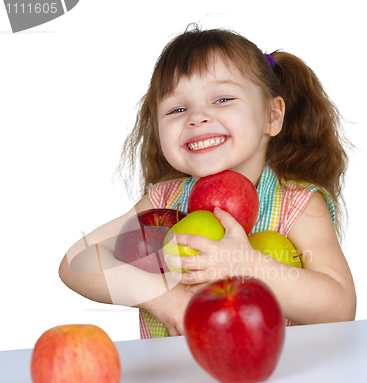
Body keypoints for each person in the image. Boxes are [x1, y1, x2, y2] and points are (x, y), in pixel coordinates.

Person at [59, 25, 356, 338]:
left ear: (272, 115)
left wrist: (248, 265)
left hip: (272, 381)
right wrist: (161, 296)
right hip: (178, 382)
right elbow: (76, 261)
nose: (197, 117)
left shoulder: (299, 207)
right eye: (177, 108)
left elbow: (339, 307)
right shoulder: (163, 202)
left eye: (223, 99)